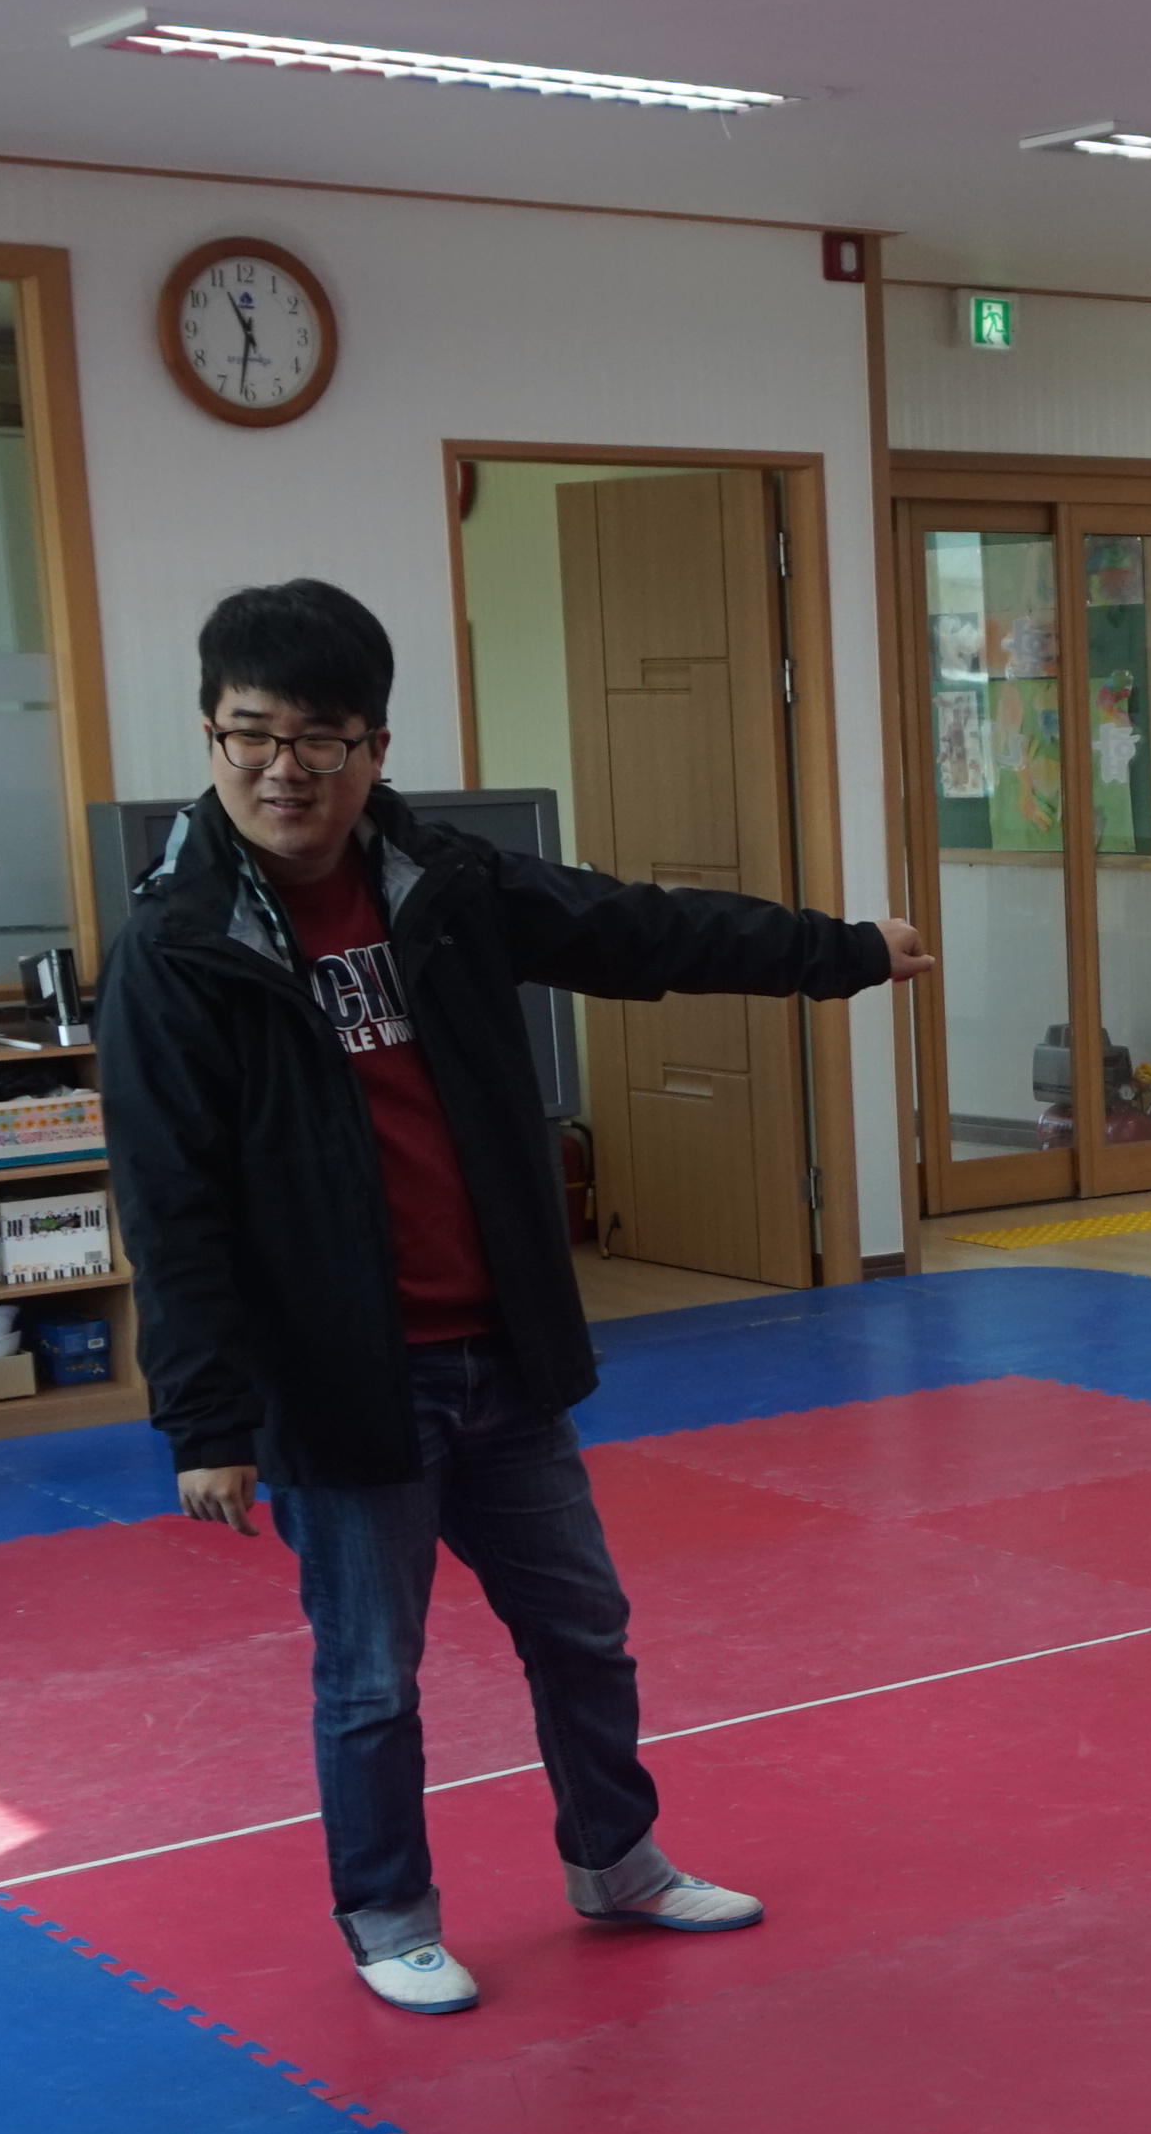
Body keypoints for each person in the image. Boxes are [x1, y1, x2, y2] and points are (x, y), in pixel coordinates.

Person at [102, 579, 920, 2013]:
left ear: (375, 747)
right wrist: (206, 1420)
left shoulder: (446, 886)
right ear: (211, 734)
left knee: (583, 1630)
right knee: (373, 1676)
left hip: (501, 1352)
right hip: (346, 1378)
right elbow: (172, 1201)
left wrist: (836, 953)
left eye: (319, 739)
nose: (284, 769)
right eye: (251, 734)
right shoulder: (177, 950)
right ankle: (388, 1914)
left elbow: (638, 930)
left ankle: (617, 1860)